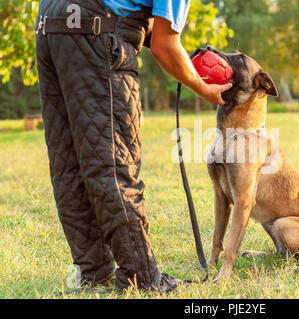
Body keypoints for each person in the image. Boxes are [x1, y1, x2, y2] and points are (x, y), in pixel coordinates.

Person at [35, 0, 232, 292]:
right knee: (114, 162)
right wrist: (200, 85)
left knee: (70, 160)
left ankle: (94, 270)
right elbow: (165, 45)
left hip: (50, 20)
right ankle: (142, 276)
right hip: (96, 27)